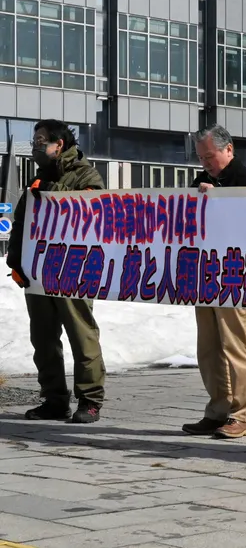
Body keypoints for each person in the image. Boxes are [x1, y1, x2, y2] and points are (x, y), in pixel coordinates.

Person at [6, 120, 107, 423]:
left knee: (81, 335)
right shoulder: (38, 180)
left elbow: (92, 211)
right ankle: (54, 399)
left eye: (40, 140)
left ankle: (89, 400)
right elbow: (22, 226)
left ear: (58, 145)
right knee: (43, 338)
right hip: (39, 272)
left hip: (73, 271)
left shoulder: (86, 175)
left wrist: (53, 191)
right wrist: (16, 262)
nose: (35, 146)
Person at [182, 124, 246, 439]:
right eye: (201, 157)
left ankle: (241, 415)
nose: (205, 163)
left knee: (236, 346)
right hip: (205, 273)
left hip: (236, 274)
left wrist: (222, 200)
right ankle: (218, 410)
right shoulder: (201, 180)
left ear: (228, 149)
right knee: (208, 347)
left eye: (209, 156)